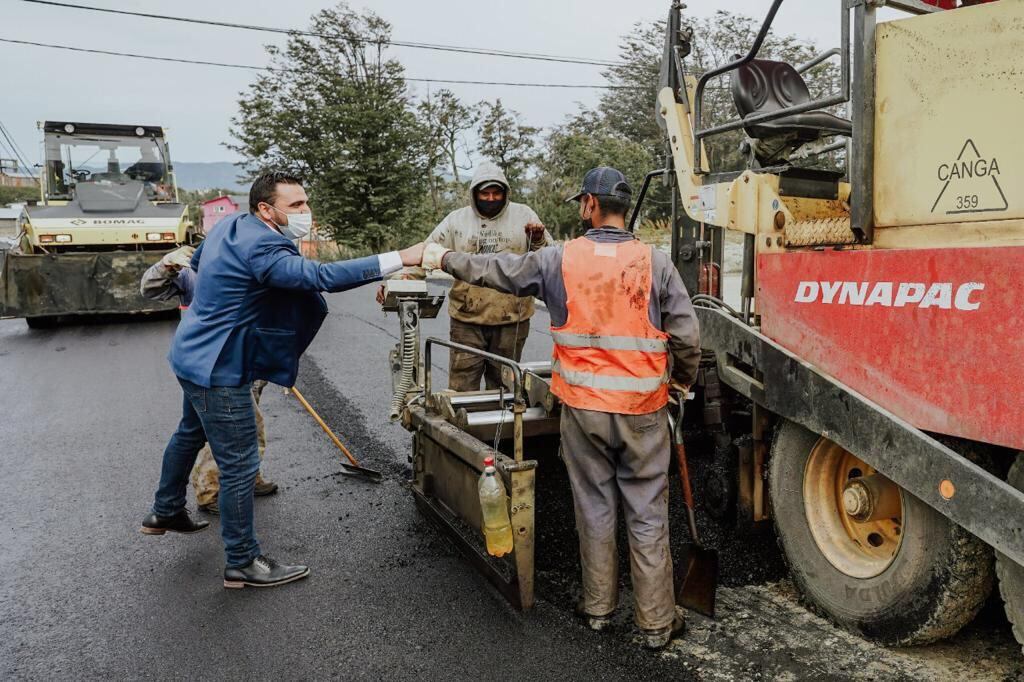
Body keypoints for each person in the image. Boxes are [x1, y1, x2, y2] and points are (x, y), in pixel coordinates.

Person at [421, 167, 701, 650]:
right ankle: (656, 622)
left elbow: (496, 270)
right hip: (643, 411)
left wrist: (443, 256)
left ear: (590, 204)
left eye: (581, 202)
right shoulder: (654, 262)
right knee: (647, 511)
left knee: (593, 506)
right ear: (623, 207)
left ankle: (598, 609)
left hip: (583, 411)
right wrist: (678, 382)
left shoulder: (559, 259)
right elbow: (687, 336)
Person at [141, 171, 425, 589]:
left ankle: (164, 510)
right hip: (220, 367)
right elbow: (321, 278)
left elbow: (201, 265)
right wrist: (405, 255)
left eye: (305, 202)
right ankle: (241, 560)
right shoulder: (263, 243)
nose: (305, 212)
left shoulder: (231, 226)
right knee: (239, 464)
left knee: (189, 432)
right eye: (295, 206)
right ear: (266, 210)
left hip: (190, 355)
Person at [378, 160, 551, 391]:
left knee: (504, 389)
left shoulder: (524, 215)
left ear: (505, 193)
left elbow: (548, 258)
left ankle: (498, 426)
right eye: (485, 193)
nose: (490, 199)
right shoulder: (456, 221)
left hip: (511, 320)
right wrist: (397, 281)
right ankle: (461, 429)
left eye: (496, 193)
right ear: (474, 193)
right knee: (461, 388)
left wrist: (538, 240)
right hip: (467, 320)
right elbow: (428, 251)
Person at [140, 245, 279, 515]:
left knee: (242, 425)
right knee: (228, 430)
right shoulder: (195, 272)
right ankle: (211, 491)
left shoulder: (255, 264)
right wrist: (168, 264)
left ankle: (247, 478)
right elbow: (150, 289)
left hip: (248, 360)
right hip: (214, 367)